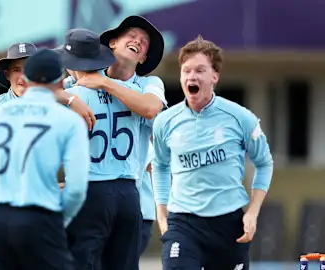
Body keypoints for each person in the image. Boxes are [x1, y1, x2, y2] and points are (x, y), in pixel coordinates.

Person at [0, 48, 90, 270]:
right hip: (39, 217)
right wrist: (58, 219)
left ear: (28, 77)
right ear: (61, 81)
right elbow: (76, 189)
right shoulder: (67, 119)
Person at [151, 36, 273, 270]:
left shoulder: (240, 117)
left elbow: (264, 163)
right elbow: (160, 165)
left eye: (200, 70)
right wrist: (161, 212)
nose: (192, 76)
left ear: (214, 76)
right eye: (186, 71)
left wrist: (252, 214)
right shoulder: (165, 121)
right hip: (183, 224)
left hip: (228, 225)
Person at [63, 15, 168, 258]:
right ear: (112, 42)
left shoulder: (149, 83)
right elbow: (45, 91)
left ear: (143, 58)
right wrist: (68, 97)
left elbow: (151, 108)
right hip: (88, 189)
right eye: (131, 35)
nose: (138, 41)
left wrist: (104, 83)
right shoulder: (83, 79)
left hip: (131, 196)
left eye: (144, 42)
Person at [58, 28, 143, 270]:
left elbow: (30, 99)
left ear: (71, 64)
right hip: (129, 193)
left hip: (90, 190)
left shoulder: (70, 96)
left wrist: (63, 96)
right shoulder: (130, 91)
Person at [0, 42, 97, 131]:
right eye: (17, 70)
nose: (23, 77)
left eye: (28, 69)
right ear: (7, 75)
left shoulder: (60, 104)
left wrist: (71, 99)